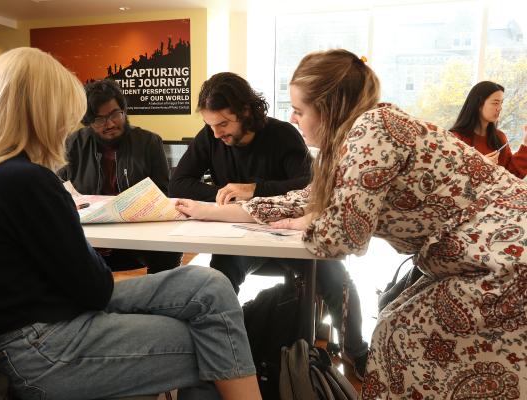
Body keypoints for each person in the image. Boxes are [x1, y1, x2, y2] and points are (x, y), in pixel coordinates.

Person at [175, 49, 527, 399]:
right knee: (399, 329)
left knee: (403, 335)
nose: (294, 119)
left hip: (503, 257)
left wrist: (306, 223)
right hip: (488, 253)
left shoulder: (372, 130)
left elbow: (343, 237)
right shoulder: (352, 141)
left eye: (299, 110)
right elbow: (302, 200)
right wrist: (207, 210)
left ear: (327, 108)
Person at [0, 47, 261, 400]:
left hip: (38, 324)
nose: (68, 127)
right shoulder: (24, 181)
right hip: (41, 347)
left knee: (209, 284)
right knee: (216, 342)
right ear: (44, 113)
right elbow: (94, 288)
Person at [169, 71, 368, 378]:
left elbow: (306, 185)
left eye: (224, 123)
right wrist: (227, 197)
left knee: (335, 280)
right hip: (243, 234)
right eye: (211, 125)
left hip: (293, 233)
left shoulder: (282, 134)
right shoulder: (210, 136)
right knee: (219, 279)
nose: (217, 133)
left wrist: (253, 189)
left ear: (246, 112)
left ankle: (357, 350)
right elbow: (179, 183)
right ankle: (225, 353)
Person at [58, 79, 182, 272]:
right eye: (99, 120)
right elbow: (60, 193)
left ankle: (159, 299)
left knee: (171, 249)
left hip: (139, 237)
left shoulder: (149, 142)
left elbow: (161, 195)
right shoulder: (73, 145)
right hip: (90, 238)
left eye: (115, 114)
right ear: (89, 122)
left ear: (124, 110)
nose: (110, 124)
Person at [450, 80, 527, 179]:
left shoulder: (500, 137)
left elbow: (512, 175)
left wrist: (525, 144)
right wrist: (481, 166)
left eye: (501, 103)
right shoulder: (455, 138)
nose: (499, 108)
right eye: (495, 103)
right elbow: (450, 181)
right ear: (478, 104)